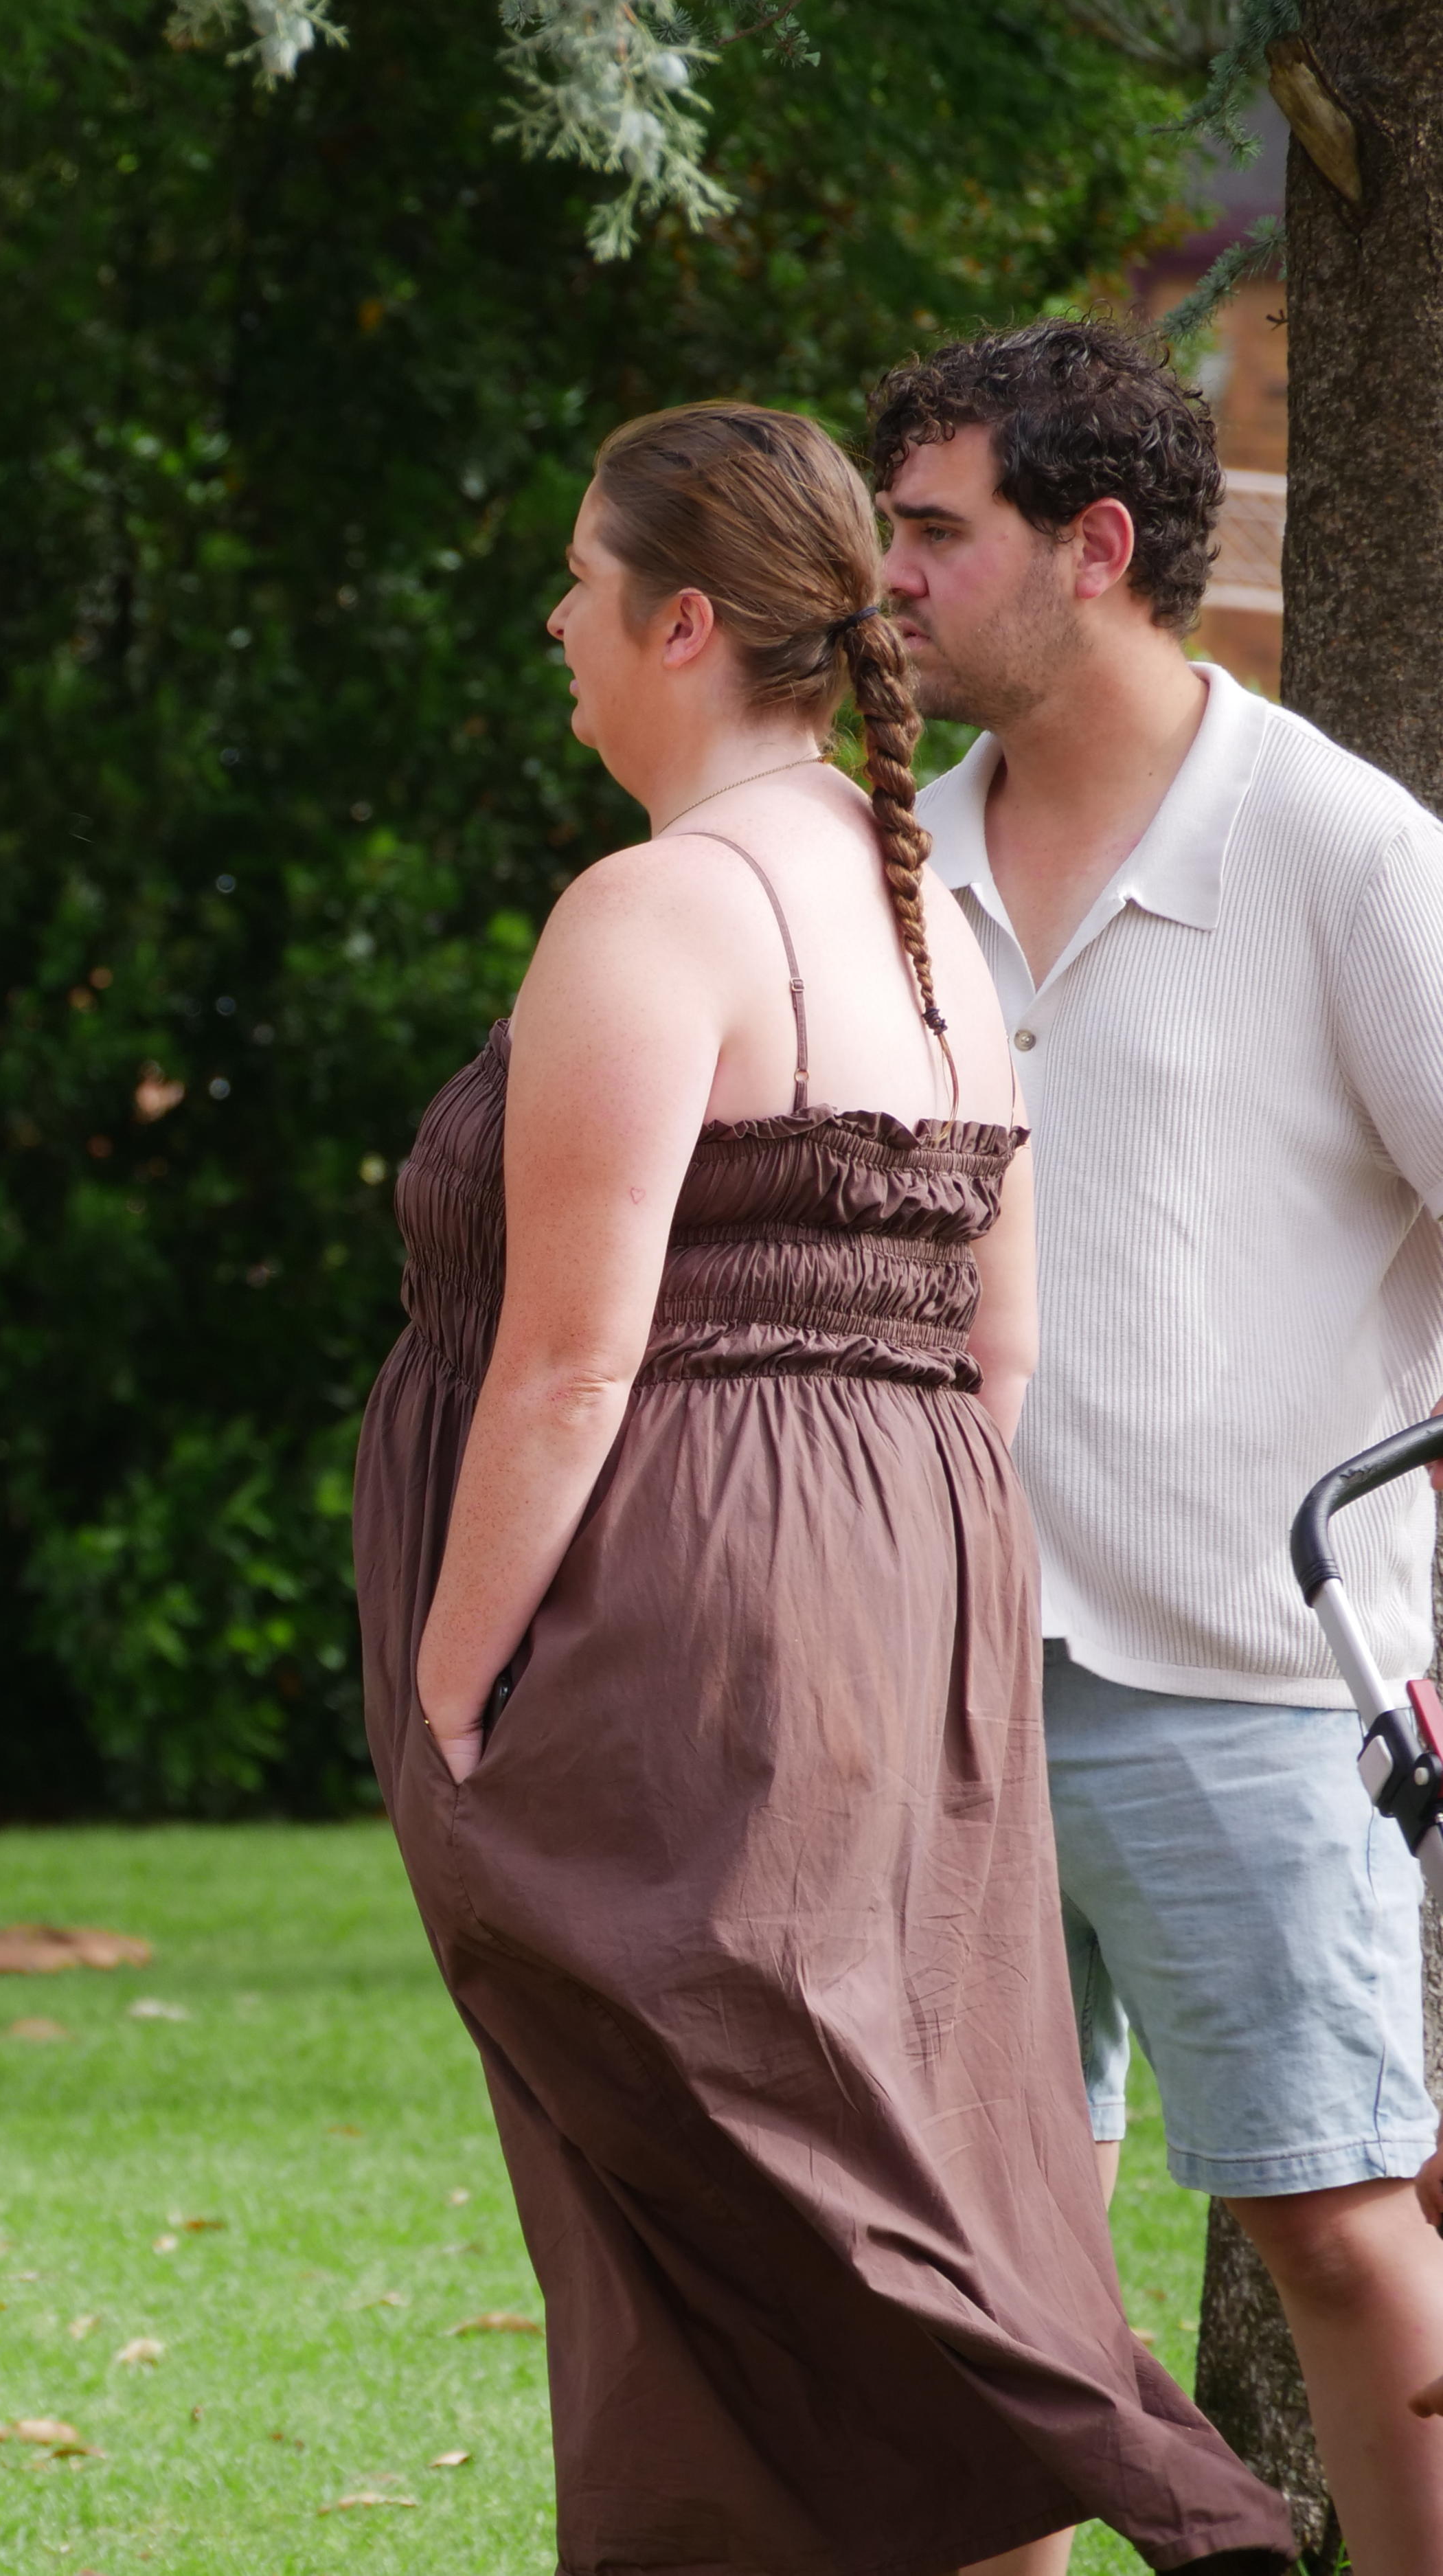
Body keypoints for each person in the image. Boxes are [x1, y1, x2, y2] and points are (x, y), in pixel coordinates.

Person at [354, 398, 1290, 2574]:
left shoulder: (657, 911)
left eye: (579, 585)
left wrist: (451, 1688)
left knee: (715, 2155)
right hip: (904, 1587)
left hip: (679, 1611)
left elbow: (572, 1361)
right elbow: (998, 1347)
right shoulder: (936, 919)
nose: (554, 624)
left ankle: (1148, 2489)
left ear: (682, 623)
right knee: (867, 2122)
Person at [874, 317, 1443, 2566]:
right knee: (977, 2276)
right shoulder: (887, 860)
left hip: (1259, 1683)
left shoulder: (1344, 849)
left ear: (1095, 547)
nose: (889, 575)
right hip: (933, 1682)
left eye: (936, 530)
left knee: (1341, 2238)